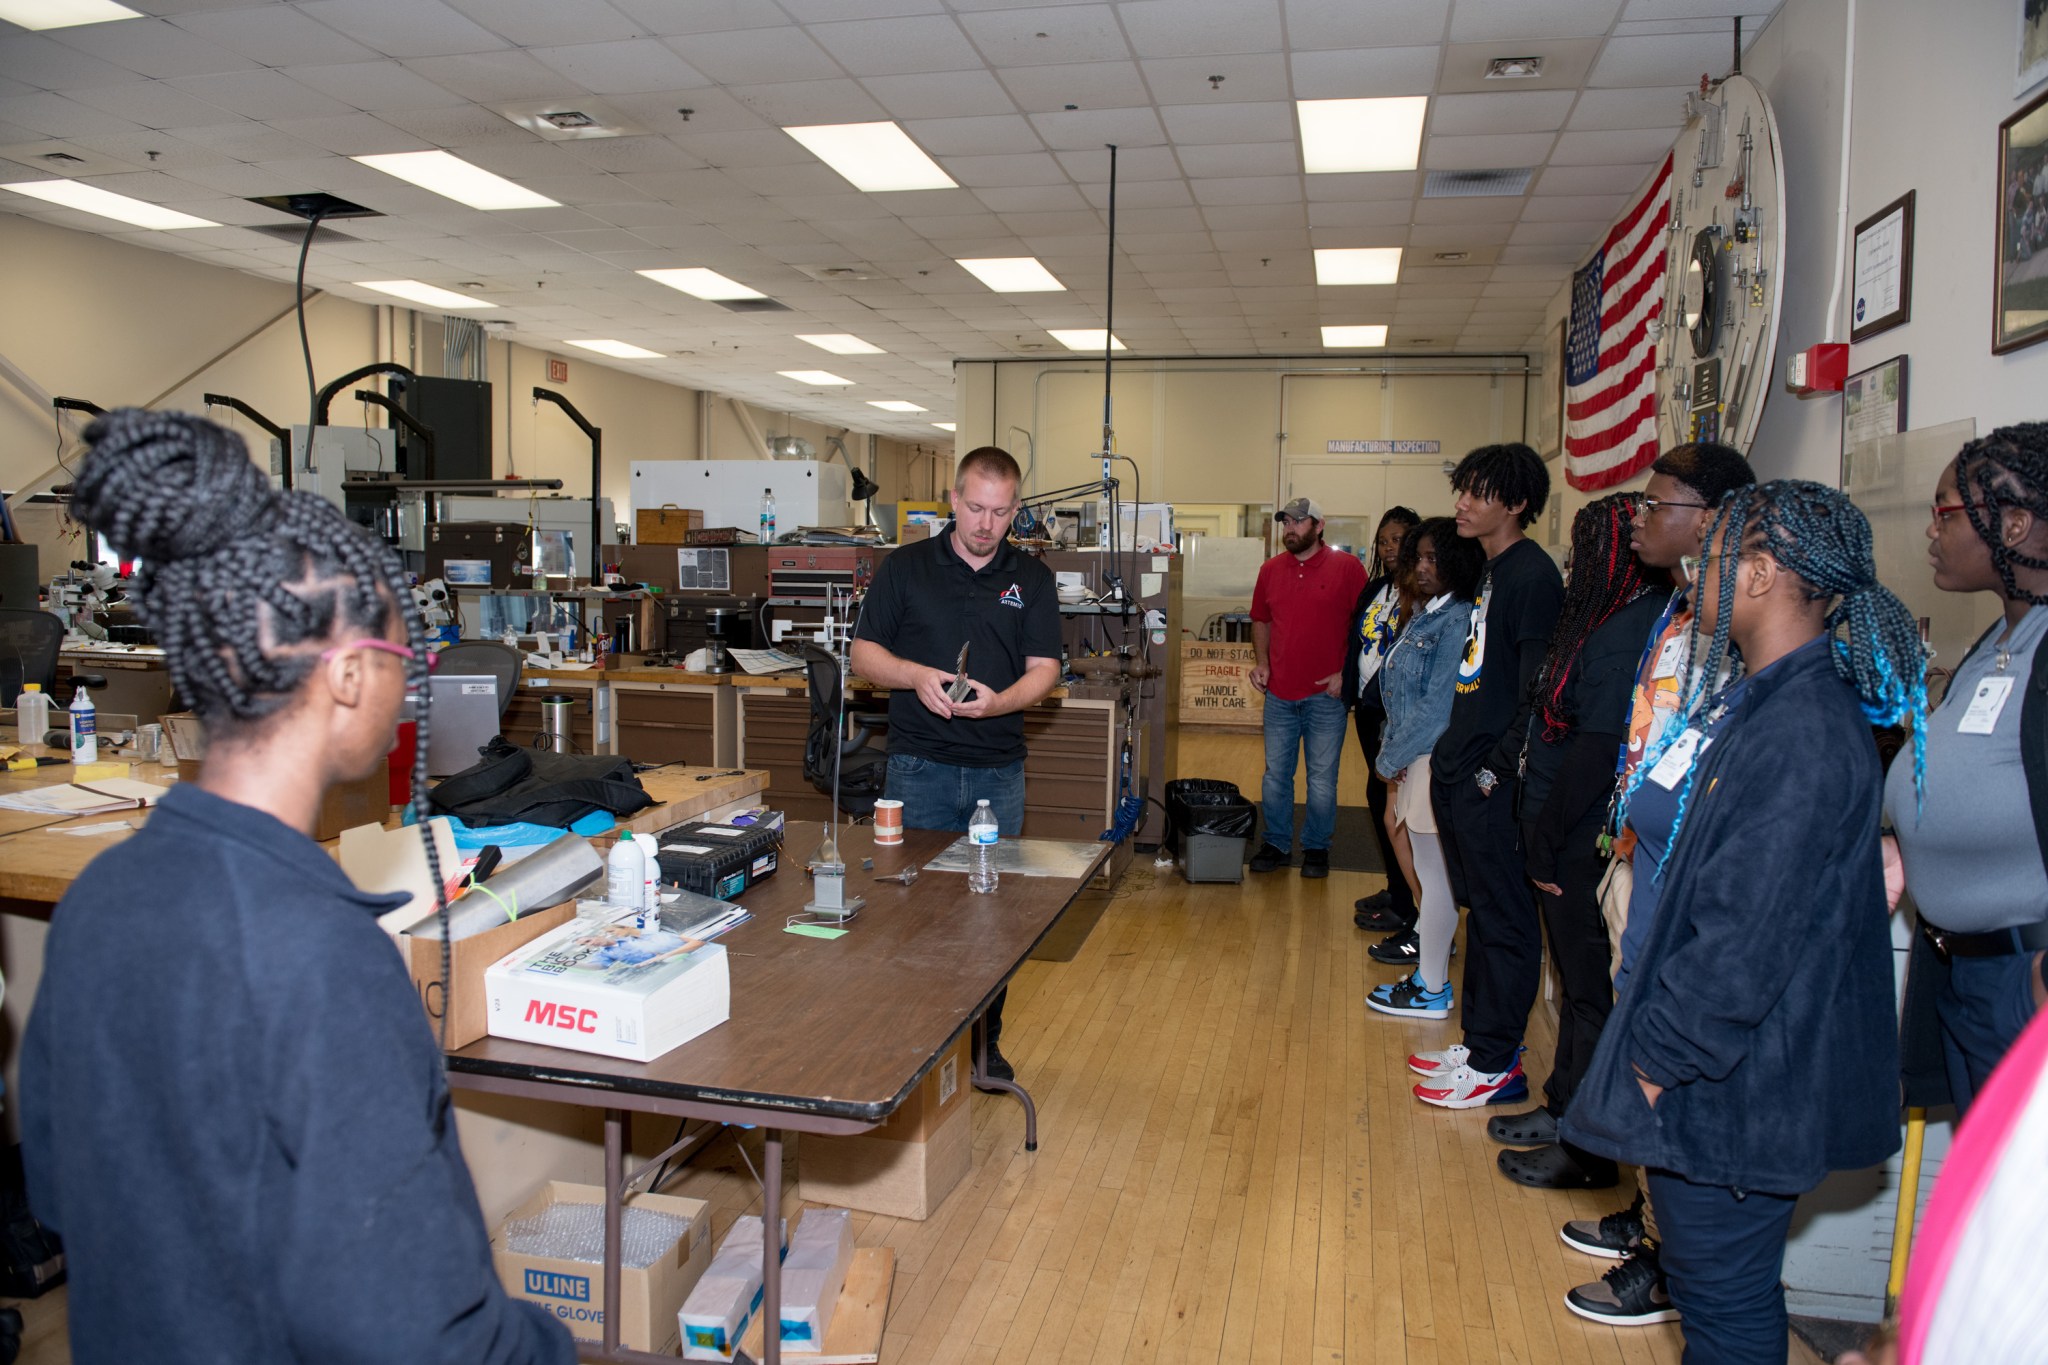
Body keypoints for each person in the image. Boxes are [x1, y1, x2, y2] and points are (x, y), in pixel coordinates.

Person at [18, 410, 573, 1364]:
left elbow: (60, 1193)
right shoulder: (321, 954)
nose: (408, 689)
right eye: (407, 663)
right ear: (351, 675)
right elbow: (412, 1331)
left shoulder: (105, 893)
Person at [1561, 480, 1921, 1365]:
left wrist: (1651, 1071)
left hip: (1730, 1094)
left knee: (1724, 1316)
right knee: (1726, 1298)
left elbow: (1738, 941)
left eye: (1711, 559)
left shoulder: (1801, 728)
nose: (1696, 576)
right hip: (1726, 1083)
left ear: (1759, 575)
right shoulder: (1769, 700)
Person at [1554, 441, 1756, 1329]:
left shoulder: (1739, 629)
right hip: (1640, 848)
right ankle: (1649, 1220)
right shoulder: (1680, 610)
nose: (1638, 514)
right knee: (1637, 1034)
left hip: (1686, 877)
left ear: (1710, 518)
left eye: (1656, 501)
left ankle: (1671, 1263)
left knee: (1667, 1061)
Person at [850, 444, 1061, 1083]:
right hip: (918, 768)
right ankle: (917, 1042)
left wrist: (999, 704)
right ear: (952, 499)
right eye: (974, 508)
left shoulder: (1034, 579)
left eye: (999, 512)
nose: (984, 524)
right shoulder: (904, 568)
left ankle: (983, 1046)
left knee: (991, 920)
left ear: (1016, 510)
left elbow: (1045, 672)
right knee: (914, 913)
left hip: (999, 772)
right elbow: (863, 656)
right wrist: (915, 676)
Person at [1488, 493, 1668, 1190]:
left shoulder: (1627, 630)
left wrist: (1548, 838)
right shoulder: (1606, 617)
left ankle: (1588, 1146)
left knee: (1589, 990)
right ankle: (1564, 1103)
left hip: (1581, 832)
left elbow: (1596, 751)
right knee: (1573, 980)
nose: (1572, 560)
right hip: (1562, 825)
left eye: (1583, 548)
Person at [1886, 424, 2048, 1115]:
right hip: (1966, 973)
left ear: (2013, 524)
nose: (1931, 530)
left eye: (1945, 511)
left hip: (2025, 978)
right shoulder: (2001, 639)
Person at [1409, 443, 1561, 1109]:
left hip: (1489, 782)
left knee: (1505, 920)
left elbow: (1537, 694)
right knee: (1484, 918)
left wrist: (1493, 773)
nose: (1461, 503)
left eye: (1477, 492)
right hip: (1461, 769)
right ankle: (1480, 1041)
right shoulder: (1493, 573)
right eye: (1460, 489)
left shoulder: (1532, 577)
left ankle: (1502, 1062)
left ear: (1517, 503)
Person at [1363, 518, 1486, 1020]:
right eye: (1420, 557)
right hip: (1414, 758)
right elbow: (1399, 694)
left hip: (1432, 759)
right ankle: (1429, 978)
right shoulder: (1426, 613)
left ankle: (1432, 987)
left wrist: (1390, 761)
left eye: (1435, 558)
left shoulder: (1456, 618)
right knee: (1430, 876)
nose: (1424, 567)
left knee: (1436, 881)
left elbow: (1436, 710)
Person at [1247, 497, 1367, 878]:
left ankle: (1316, 847)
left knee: (1321, 780)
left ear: (1319, 525)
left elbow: (1366, 626)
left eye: (1299, 522)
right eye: (1286, 522)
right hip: (1280, 694)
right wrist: (1263, 663)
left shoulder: (1348, 568)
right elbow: (1261, 620)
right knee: (1276, 776)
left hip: (1326, 697)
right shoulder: (1270, 570)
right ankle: (1277, 843)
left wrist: (1345, 674)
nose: (1291, 529)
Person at [1344, 506, 1423, 931]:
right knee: (1379, 799)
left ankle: (1410, 906)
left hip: (1398, 715)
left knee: (1398, 804)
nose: (1390, 548)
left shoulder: (1424, 591)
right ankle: (1395, 887)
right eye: (1384, 540)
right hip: (1368, 708)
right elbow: (1356, 641)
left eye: (1399, 540)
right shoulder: (1377, 588)